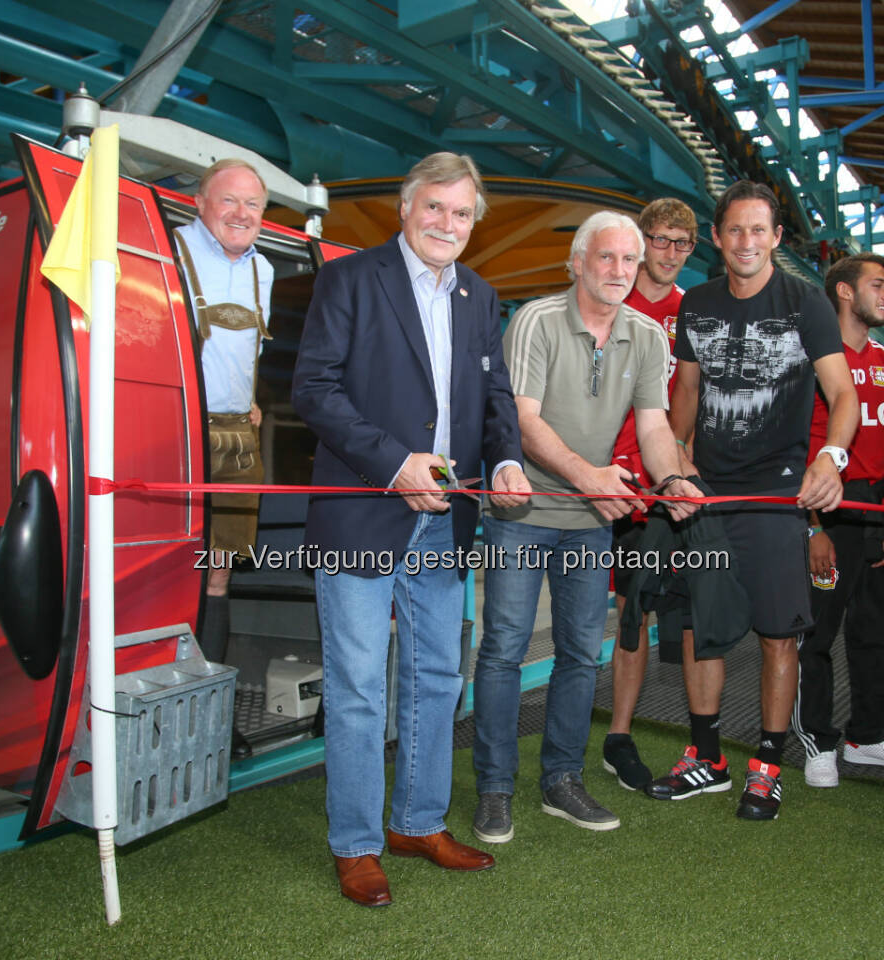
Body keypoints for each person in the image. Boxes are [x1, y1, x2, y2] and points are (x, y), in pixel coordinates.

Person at [292, 152, 530, 907]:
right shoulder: (350, 279)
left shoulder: (480, 296)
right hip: (363, 510)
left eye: (462, 214)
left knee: (434, 679)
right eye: (435, 208)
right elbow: (314, 390)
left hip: (447, 522)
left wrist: (505, 462)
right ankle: (357, 844)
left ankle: (418, 823)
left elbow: (495, 403)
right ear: (406, 207)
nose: (448, 225)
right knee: (360, 686)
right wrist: (394, 462)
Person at [472, 211, 701, 841]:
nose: (619, 271)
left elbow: (654, 428)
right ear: (577, 263)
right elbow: (524, 420)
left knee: (579, 652)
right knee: (504, 649)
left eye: (629, 260)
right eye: (606, 258)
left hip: (590, 518)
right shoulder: (536, 322)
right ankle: (494, 787)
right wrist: (588, 477)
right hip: (523, 512)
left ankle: (561, 779)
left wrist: (673, 479)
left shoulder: (649, 337)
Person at [668, 180, 857, 821]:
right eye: (734, 231)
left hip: (778, 492)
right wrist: (676, 460)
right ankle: (707, 757)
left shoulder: (807, 302)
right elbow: (687, 393)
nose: (746, 242)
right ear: (718, 239)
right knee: (703, 629)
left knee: (780, 637)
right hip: (709, 494)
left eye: (759, 230)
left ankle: (768, 767)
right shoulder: (697, 302)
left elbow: (844, 396)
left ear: (777, 238)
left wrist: (831, 455)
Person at [793, 253, 884, 788]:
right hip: (826, 507)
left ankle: (867, 735)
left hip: (877, 507)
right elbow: (794, 446)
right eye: (879, 285)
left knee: (877, 630)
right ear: (845, 293)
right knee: (817, 633)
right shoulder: (812, 363)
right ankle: (817, 742)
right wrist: (811, 528)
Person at [599, 197, 704, 793]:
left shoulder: (691, 311)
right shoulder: (613, 296)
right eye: (659, 240)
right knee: (629, 614)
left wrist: (681, 460)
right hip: (614, 482)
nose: (668, 253)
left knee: (691, 615)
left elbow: (693, 395)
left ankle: (703, 741)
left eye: (680, 244)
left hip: (672, 479)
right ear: (641, 241)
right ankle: (618, 734)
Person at [174, 160, 273, 666]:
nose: (241, 213)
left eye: (252, 204)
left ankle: (209, 683)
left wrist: (247, 399)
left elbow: (247, 351)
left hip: (236, 435)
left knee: (220, 564)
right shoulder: (171, 249)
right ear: (199, 201)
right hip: (177, 430)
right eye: (228, 200)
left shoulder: (265, 269)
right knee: (172, 559)